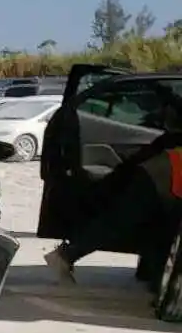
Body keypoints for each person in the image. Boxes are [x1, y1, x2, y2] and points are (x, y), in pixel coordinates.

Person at [46, 117, 182, 285]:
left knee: (147, 227)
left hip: (157, 175)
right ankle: (65, 255)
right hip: (161, 179)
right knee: (117, 223)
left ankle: (152, 276)